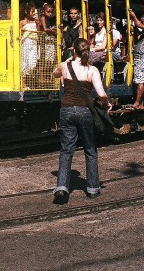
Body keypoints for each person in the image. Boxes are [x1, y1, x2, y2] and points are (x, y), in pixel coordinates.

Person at [52, 38, 110, 204]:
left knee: (66, 150)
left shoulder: (65, 66)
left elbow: (55, 73)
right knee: (90, 149)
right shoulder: (92, 70)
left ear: (74, 50)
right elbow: (101, 94)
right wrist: (107, 104)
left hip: (66, 110)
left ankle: (62, 188)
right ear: (88, 51)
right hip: (85, 111)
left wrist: (68, 60)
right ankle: (92, 188)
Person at [20, 1, 39, 76]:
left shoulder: (35, 21)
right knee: (24, 62)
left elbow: (38, 31)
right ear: (26, 11)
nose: (34, 13)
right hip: (26, 43)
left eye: (34, 11)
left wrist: (37, 23)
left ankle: (29, 77)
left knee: (33, 63)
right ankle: (24, 80)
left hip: (34, 43)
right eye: (32, 11)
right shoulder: (22, 22)